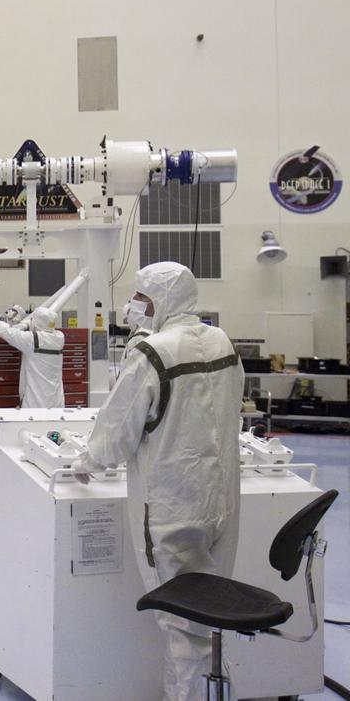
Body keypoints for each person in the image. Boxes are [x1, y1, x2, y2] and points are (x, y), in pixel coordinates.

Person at [73, 262, 243, 701]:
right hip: (220, 500)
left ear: (162, 301)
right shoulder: (222, 342)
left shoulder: (152, 354)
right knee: (210, 608)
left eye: (141, 297)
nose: (133, 305)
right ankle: (213, 688)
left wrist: (86, 460)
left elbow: (116, 432)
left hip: (171, 506)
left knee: (181, 619)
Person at [0, 306, 65, 408]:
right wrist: (27, 323)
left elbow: (9, 333)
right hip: (57, 404)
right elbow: (42, 329)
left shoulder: (33, 341)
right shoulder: (60, 337)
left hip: (35, 405)